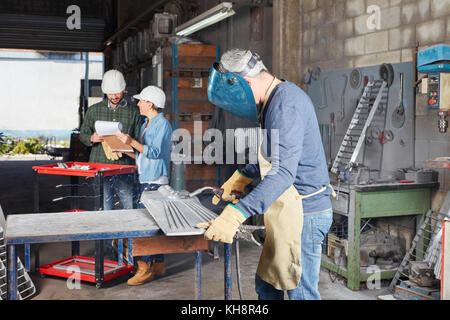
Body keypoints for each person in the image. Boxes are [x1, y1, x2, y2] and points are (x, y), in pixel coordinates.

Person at [197, 49, 335, 300]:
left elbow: (282, 172)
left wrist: (236, 214)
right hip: (287, 212)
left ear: (244, 84)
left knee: (301, 293)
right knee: (266, 286)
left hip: (305, 214)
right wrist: (243, 175)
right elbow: (273, 155)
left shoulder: (285, 105)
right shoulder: (273, 101)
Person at [115, 85, 172, 286]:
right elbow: (142, 153)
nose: (138, 103)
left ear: (150, 104)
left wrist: (130, 141)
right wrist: (123, 150)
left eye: (141, 101)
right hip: (146, 178)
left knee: (146, 226)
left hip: (155, 182)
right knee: (155, 224)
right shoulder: (146, 123)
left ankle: (145, 268)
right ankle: (158, 264)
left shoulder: (162, 124)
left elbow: (155, 152)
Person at [79, 69, 142, 211]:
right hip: (99, 166)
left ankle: (131, 233)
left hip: (124, 166)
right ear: (104, 91)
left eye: (118, 92)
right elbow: (83, 134)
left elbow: (139, 139)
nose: (114, 96)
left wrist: (128, 142)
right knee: (104, 207)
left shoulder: (134, 112)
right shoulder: (94, 110)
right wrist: (91, 138)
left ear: (124, 89)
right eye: (110, 93)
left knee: (130, 206)